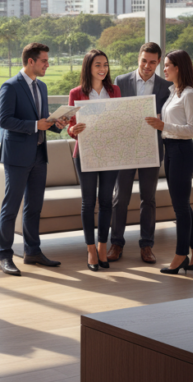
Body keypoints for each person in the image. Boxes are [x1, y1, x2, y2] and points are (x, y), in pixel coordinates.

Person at [0, 42, 67, 276]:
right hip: (17, 155)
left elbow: (42, 120)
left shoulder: (42, 87)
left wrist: (56, 124)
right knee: (11, 207)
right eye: (44, 61)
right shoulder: (10, 86)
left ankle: (32, 251)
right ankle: (4, 255)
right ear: (30, 62)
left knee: (34, 206)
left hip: (39, 153)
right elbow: (4, 121)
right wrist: (35, 125)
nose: (48, 64)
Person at [108, 42, 172, 264]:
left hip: (151, 149)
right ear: (138, 58)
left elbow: (168, 119)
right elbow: (114, 112)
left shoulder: (166, 86)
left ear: (158, 63)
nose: (147, 65)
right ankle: (116, 244)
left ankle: (147, 246)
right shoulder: (121, 81)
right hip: (126, 148)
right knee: (120, 199)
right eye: (144, 60)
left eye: (152, 62)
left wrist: (161, 121)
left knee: (149, 199)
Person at [144, 49, 193, 275]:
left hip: (182, 151)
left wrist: (163, 126)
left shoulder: (189, 94)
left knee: (180, 208)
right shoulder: (173, 92)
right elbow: (173, 122)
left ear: (179, 67)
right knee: (183, 205)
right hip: (170, 151)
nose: (164, 68)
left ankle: (181, 255)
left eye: (168, 65)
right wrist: (160, 122)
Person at [66, 50, 121, 272]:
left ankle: (102, 247)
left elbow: (119, 119)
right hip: (85, 152)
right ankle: (90, 250)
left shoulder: (114, 90)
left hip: (110, 154)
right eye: (98, 64)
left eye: (106, 64)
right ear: (88, 67)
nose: (103, 68)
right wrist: (73, 129)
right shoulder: (76, 93)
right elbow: (70, 126)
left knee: (107, 201)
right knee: (88, 203)